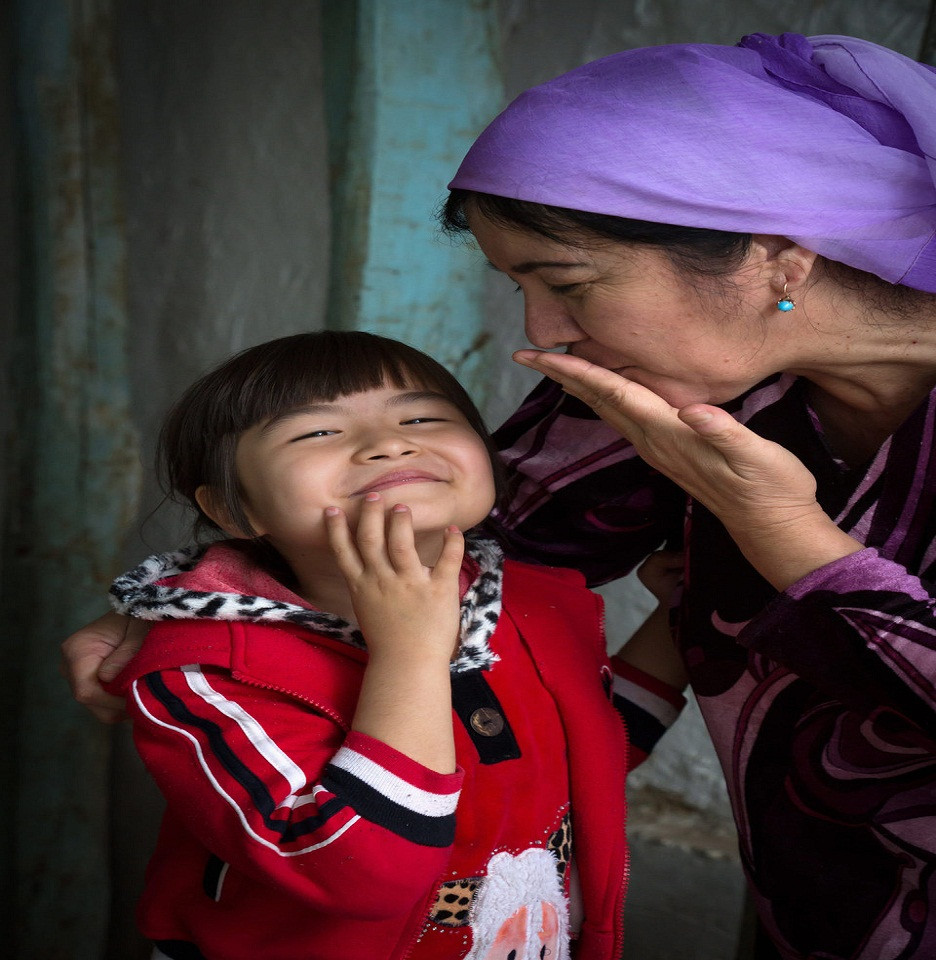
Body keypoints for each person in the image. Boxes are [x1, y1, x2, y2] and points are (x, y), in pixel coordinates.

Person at [60, 28, 936, 960]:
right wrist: (214, 602)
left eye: (567, 284)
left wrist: (784, 536)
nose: (543, 333)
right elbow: (474, 534)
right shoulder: (649, 389)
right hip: (808, 916)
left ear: (777, 259)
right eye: (517, 285)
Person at [96, 330, 684, 960]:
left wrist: (682, 616)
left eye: (424, 417)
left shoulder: (535, 602)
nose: (390, 442)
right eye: (317, 432)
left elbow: (582, 760)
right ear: (236, 510)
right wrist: (409, 655)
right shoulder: (206, 672)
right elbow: (349, 872)